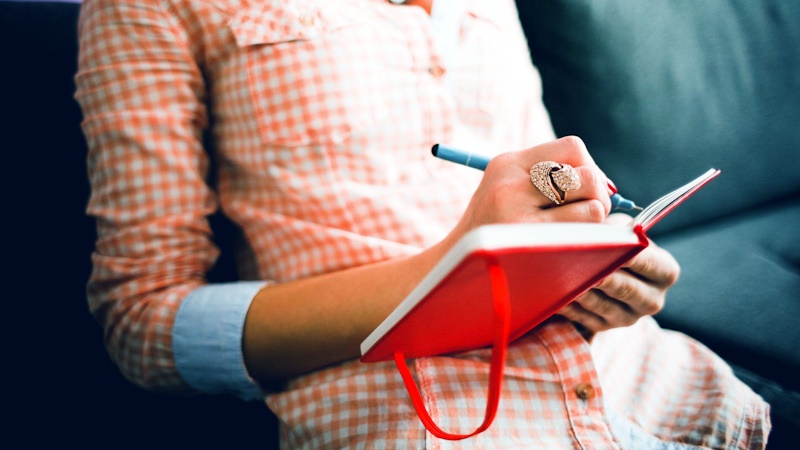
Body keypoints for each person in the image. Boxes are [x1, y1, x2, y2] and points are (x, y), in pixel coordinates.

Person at [75, 0, 770, 447]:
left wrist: (594, 264)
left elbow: (542, 189)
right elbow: (141, 324)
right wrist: (455, 268)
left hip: (669, 391)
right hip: (430, 421)